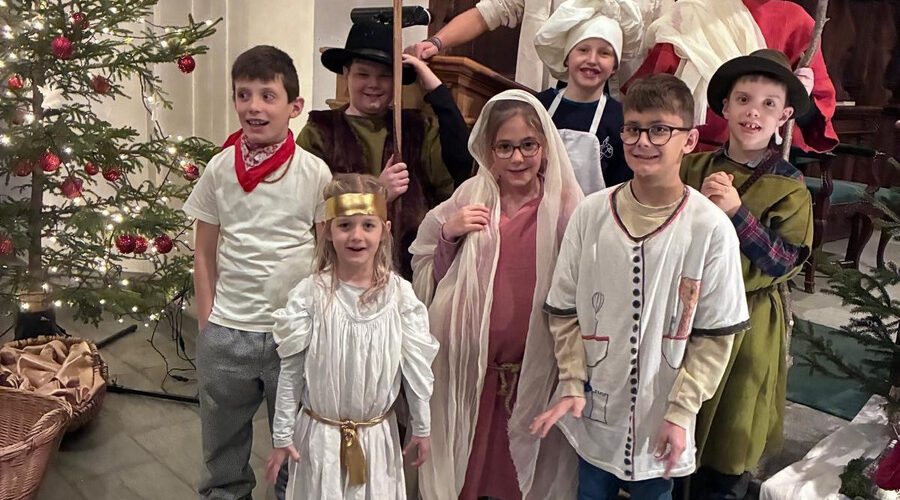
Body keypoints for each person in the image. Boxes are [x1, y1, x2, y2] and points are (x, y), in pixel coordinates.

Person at [531, 74, 749, 500]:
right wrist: (572, 380)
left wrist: (681, 411)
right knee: (591, 492)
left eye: (659, 130)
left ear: (689, 140)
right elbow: (564, 309)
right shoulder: (592, 214)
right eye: (632, 129)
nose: (642, 141)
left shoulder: (710, 228)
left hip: (661, 416)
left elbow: (714, 335)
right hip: (595, 409)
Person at [409, 89, 584, 499]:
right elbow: (429, 273)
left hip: (535, 372)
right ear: (489, 152)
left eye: (528, 145)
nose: (517, 158)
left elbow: (581, 283)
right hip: (471, 374)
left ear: (545, 147)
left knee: (522, 478)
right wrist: (449, 235)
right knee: (469, 475)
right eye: (504, 147)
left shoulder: (564, 205)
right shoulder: (469, 198)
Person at [183, 45, 332, 500]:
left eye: (268, 96)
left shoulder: (314, 172)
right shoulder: (219, 169)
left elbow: (326, 254)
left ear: (294, 106)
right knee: (222, 439)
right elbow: (204, 252)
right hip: (229, 329)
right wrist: (207, 323)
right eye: (243, 95)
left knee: (297, 440)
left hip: (293, 331)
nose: (254, 106)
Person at [680, 49, 814, 499]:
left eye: (768, 104)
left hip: (748, 322)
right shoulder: (692, 167)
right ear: (725, 107)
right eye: (743, 99)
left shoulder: (790, 188)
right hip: (686, 314)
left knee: (730, 432)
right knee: (679, 424)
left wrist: (737, 214)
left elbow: (783, 261)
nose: (753, 112)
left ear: (784, 116)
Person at [264, 173, 439, 499]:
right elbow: (291, 372)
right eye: (345, 225)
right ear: (327, 230)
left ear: (384, 231)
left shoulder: (400, 297)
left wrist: (422, 425)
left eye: (368, 225)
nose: (356, 236)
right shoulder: (310, 295)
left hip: (376, 440)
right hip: (321, 441)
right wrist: (282, 435)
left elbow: (416, 370)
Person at [298, 20, 470, 279]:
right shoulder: (319, 131)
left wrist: (434, 86)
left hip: (409, 273)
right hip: (343, 275)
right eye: (363, 74)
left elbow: (460, 170)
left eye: (385, 76)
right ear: (346, 74)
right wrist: (376, 195)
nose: (374, 84)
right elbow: (311, 209)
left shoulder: (417, 128)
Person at [626, 0, 838, 153]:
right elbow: (649, 93)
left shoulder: (796, 21)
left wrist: (800, 95)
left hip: (758, 159)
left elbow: (815, 120)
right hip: (679, 152)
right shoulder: (693, 10)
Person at [404, 0, 672, 92]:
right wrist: (436, 42)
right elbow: (488, 12)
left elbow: (665, 45)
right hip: (543, 98)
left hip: (617, 104)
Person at [533, 0, 643, 192]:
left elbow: (622, 188)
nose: (592, 60)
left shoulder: (621, 120)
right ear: (567, 58)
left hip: (597, 211)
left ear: (615, 66)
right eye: (583, 50)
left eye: (604, 53)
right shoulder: (538, 107)